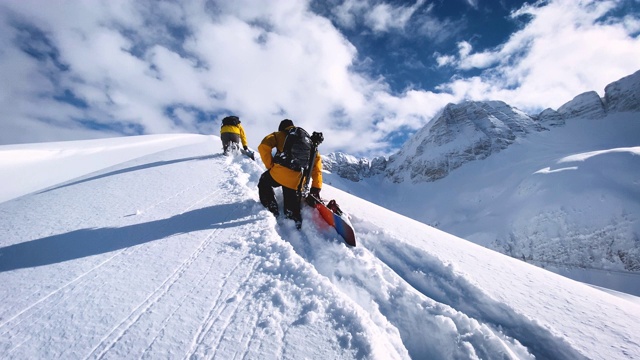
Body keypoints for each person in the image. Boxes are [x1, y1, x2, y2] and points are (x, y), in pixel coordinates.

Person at [258, 119, 322, 228]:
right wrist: (316, 188)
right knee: (292, 208)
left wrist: (270, 166)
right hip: (297, 181)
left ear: (281, 128)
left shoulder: (278, 134)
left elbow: (263, 146)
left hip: (277, 175)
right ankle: (294, 222)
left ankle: (271, 206)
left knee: (264, 181)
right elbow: (317, 167)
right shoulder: (308, 142)